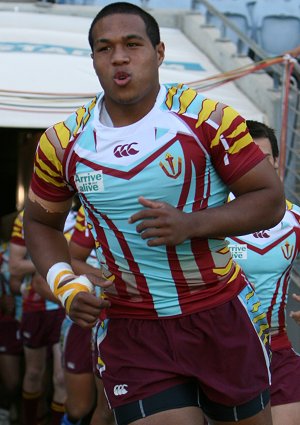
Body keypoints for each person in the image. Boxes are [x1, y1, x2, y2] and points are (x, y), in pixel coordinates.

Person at [23, 2, 286, 425]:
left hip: (218, 315)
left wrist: (192, 224)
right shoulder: (64, 142)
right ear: (93, 60)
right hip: (131, 327)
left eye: (133, 44)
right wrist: (65, 284)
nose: (120, 57)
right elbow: (39, 222)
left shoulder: (207, 118)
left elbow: (269, 199)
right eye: (105, 49)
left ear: (159, 52)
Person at [227, 120, 300, 425]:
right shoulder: (208, 216)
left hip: (276, 347)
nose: (257, 165)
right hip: (221, 352)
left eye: (264, 158)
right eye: (248, 157)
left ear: (276, 161)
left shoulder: (295, 219)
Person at [9, 209, 77, 425]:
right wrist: (56, 261)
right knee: (34, 374)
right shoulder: (25, 217)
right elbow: (15, 266)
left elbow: (84, 258)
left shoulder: (79, 217)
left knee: (60, 379)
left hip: (64, 305)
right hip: (35, 306)